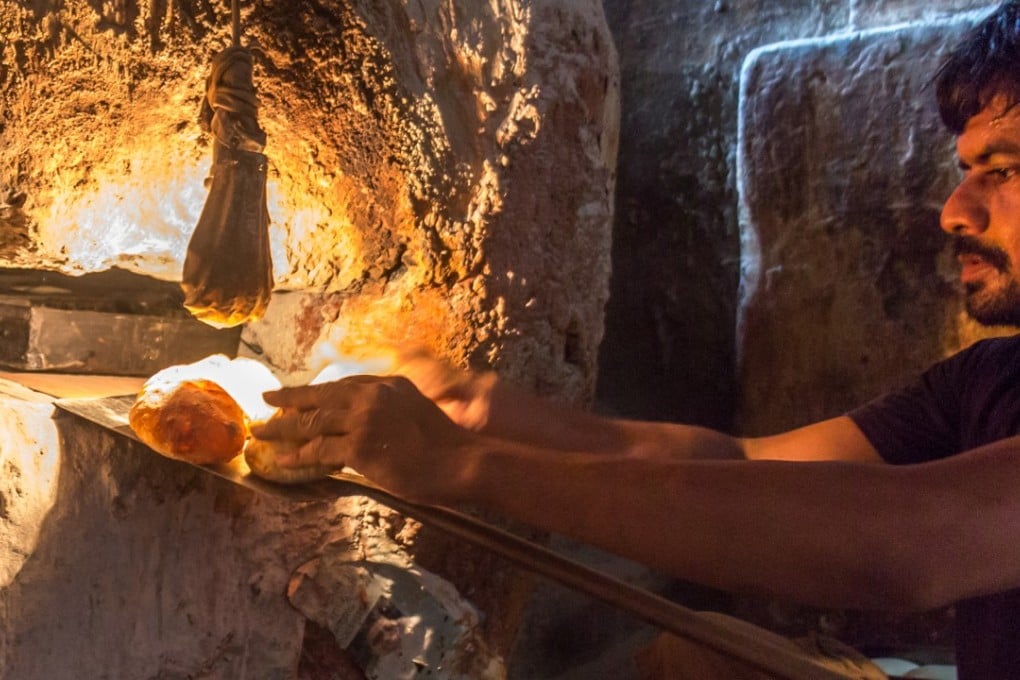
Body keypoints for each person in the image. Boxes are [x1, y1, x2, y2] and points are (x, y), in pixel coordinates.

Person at [251, 2, 1020, 677]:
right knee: (704, 650)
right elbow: (740, 465)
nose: (955, 210)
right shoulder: (990, 378)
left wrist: (456, 465)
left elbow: (909, 543)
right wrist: (472, 404)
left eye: (1002, 170)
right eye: (964, 171)